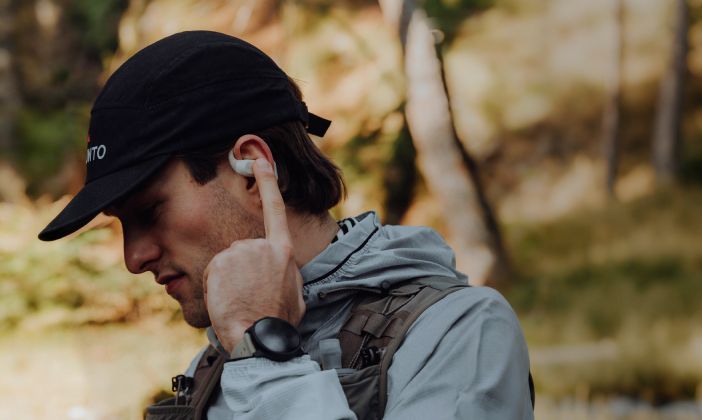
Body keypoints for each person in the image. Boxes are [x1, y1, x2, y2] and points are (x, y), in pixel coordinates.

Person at [39, 30, 534, 419]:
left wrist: (264, 355)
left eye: (150, 212)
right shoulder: (210, 368)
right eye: (122, 224)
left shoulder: (459, 332)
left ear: (253, 169)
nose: (133, 258)